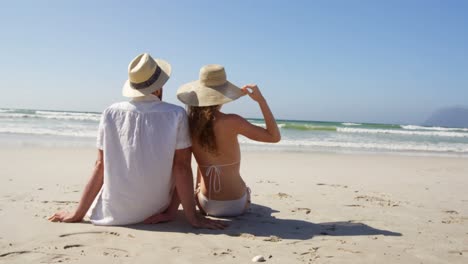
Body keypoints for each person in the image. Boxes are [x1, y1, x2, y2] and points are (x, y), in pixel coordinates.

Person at [49, 53, 225, 229]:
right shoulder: (176, 114)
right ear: (158, 88)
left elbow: (100, 165)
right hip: (155, 208)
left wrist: (77, 213)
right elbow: (182, 167)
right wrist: (192, 217)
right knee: (177, 161)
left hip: (114, 212)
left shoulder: (110, 113)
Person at [176, 64, 281, 217]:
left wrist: (197, 191)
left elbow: (185, 165)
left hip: (205, 204)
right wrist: (261, 101)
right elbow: (274, 137)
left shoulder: (188, 125)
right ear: (222, 96)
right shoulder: (232, 121)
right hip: (237, 204)